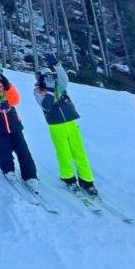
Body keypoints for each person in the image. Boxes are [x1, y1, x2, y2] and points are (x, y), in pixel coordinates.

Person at [33, 52, 98, 196]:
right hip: (56, 126)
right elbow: (46, 105)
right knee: (64, 153)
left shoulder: (60, 86)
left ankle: (87, 181)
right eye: (45, 78)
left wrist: (56, 65)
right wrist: (49, 90)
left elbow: (64, 78)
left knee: (79, 152)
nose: (49, 80)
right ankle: (68, 178)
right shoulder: (38, 91)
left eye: (51, 77)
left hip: (71, 123)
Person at [0, 59, 38, 188]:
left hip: (13, 120)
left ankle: (30, 175)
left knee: (22, 148)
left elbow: (15, 101)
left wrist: (8, 88)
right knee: (4, 148)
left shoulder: (7, 84)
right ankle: (8, 169)